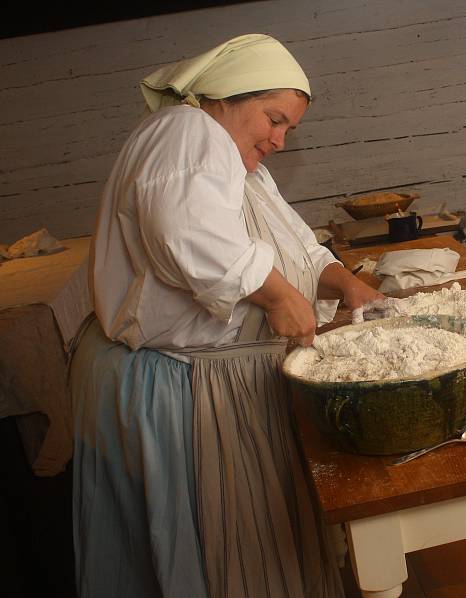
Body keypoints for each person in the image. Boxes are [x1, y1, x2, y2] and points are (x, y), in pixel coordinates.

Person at [69, 33, 382, 597]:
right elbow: (187, 233)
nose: (280, 141)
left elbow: (299, 248)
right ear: (229, 95)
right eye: (275, 119)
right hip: (180, 388)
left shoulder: (246, 171)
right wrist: (280, 296)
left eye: (289, 129)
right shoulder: (187, 130)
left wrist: (345, 282)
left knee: (248, 544)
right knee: (219, 553)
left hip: (215, 378)